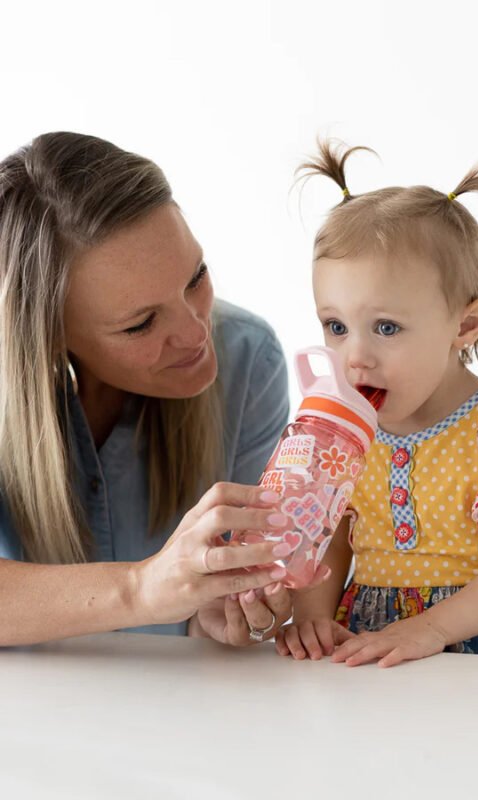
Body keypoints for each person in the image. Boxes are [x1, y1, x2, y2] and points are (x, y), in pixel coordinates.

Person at [275, 140, 478, 667]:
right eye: (336, 326)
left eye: (386, 327)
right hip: (374, 640)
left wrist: (430, 629)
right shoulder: (344, 433)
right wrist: (314, 616)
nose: (355, 357)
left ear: (465, 324)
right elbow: (330, 539)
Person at [0, 131, 323, 647]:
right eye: (141, 323)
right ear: (50, 338)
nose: (198, 333)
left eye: (196, 277)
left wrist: (218, 614)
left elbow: (210, 603)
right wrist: (139, 589)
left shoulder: (248, 359)